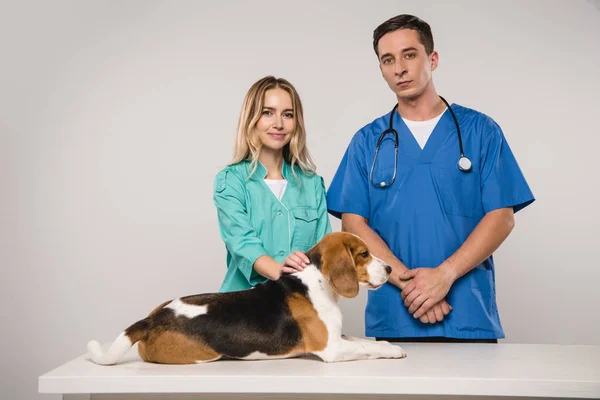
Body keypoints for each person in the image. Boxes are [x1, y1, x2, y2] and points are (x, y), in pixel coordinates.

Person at [326, 15, 534, 342]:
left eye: (409, 55)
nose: (399, 68)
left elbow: (502, 217)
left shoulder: (480, 131)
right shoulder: (367, 141)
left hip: (466, 311)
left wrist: (444, 275)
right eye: (388, 60)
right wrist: (413, 287)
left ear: (432, 59)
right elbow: (353, 224)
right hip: (395, 312)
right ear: (381, 69)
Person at [214, 76, 331, 293]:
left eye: (288, 114)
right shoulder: (231, 181)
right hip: (242, 312)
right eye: (267, 112)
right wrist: (280, 270)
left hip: (300, 310)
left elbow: (324, 251)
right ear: (252, 118)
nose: (278, 123)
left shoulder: (312, 184)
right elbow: (242, 243)